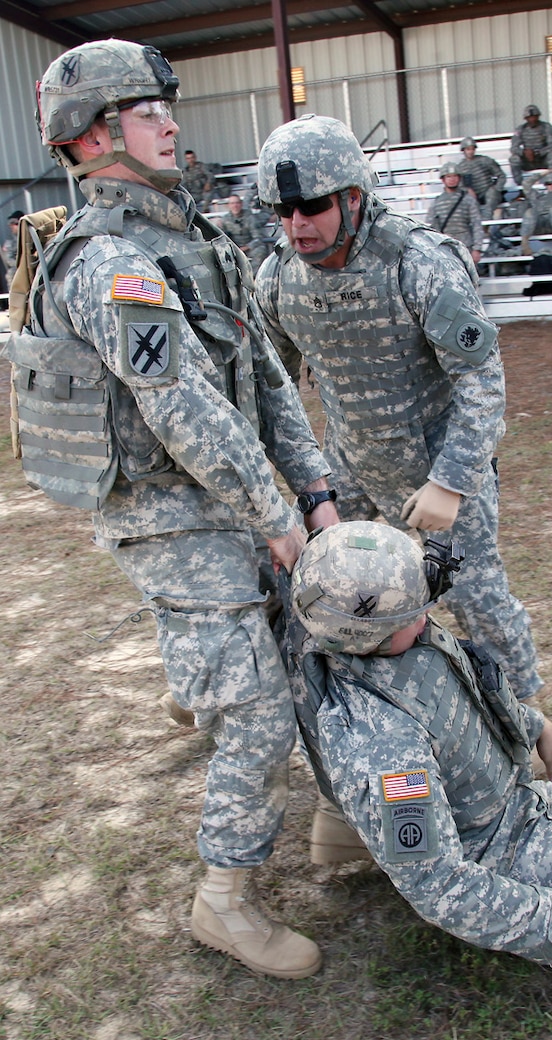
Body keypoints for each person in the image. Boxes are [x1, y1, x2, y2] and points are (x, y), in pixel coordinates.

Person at [11, 39, 345, 980]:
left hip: (232, 498)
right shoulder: (105, 262)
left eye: (164, 105)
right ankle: (224, 903)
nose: (168, 120)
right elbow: (181, 404)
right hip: (169, 514)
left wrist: (313, 492)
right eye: (143, 110)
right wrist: (278, 516)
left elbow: (263, 373)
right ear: (94, 136)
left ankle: (339, 825)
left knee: (306, 651)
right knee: (256, 710)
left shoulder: (192, 235)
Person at [288, 520, 552, 972]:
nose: (424, 618)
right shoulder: (382, 748)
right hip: (503, 857)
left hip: (527, 805)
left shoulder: (395, 638)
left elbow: (463, 693)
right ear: (362, 635)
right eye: (411, 614)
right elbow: (437, 885)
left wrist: (535, 725)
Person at [255, 114, 542, 706]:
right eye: (283, 212)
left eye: (312, 206)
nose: (297, 224)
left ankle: (525, 723)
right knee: (307, 584)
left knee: (475, 599)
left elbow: (482, 383)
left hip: (436, 466)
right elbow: (272, 388)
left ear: (353, 197)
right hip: (349, 465)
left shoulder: (419, 263)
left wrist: (452, 482)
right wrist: (309, 492)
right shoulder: (279, 278)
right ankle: (293, 699)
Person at [426, 162, 484, 263]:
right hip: (445, 247)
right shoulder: (436, 202)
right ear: (443, 179)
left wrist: (477, 248)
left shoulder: (468, 200)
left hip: (466, 246)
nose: (452, 179)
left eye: (455, 176)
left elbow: (476, 224)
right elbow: (429, 228)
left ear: (459, 178)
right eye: (448, 176)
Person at [455, 137, 506, 217]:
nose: (471, 152)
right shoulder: (460, 167)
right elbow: (459, 186)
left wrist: (496, 189)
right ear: (463, 150)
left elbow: (501, 175)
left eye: (472, 149)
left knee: (491, 197)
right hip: (473, 195)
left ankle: (486, 222)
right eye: (468, 149)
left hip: (489, 191)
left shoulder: (485, 160)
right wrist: (468, 190)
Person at [217, 193, 268, 273]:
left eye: (237, 203)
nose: (235, 206)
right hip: (233, 248)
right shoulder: (224, 220)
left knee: (260, 251)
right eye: (232, 203)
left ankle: (253, 277)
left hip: (249, 247)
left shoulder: (250, 217)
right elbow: (220, 239)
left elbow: (258, 238)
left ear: (241, 204)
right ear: (229, 205)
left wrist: (246, 247)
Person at [509, 105, 552, 186]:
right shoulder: (520, 129)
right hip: (528, 162)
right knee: (514, 159)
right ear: (525, 118)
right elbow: (513, 148)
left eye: (534, 117)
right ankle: (521, 187)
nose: (532, 119)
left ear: (538, 116)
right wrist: (524, 152)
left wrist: (538, 152)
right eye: (529, 117)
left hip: (543, 160)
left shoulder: (546, 127)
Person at [2, 210, 22, 288]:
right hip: (17, 274)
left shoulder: (33, 238)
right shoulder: (11, 243)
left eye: (14, 223)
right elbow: (9, 260)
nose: (11, 226)